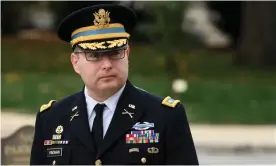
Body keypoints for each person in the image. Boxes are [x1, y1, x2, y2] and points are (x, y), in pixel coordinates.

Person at [30, 4, 199, 165]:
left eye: (114, 53)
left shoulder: (165, 117)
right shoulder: (52, 119)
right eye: (95, 56)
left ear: (127, 54)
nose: (107, 64)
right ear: (75, 62)